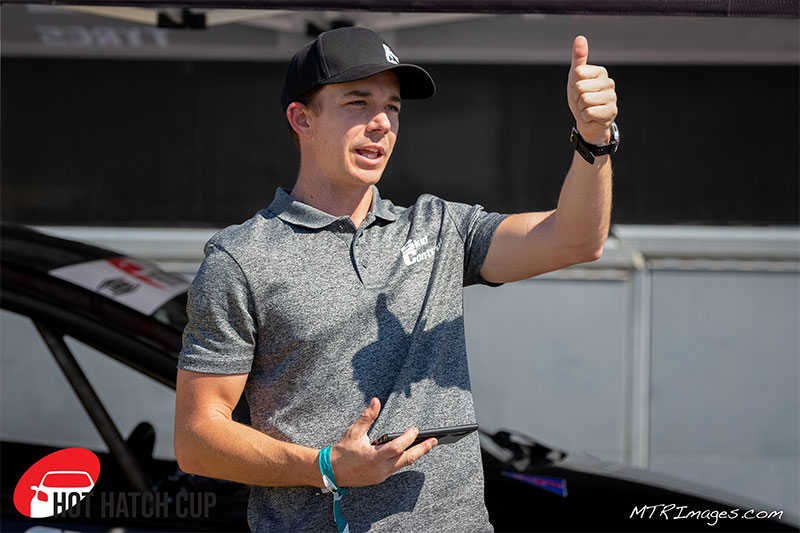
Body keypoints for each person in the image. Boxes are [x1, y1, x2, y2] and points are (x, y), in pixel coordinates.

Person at [174, 26, 617, 533]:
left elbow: (576, 239)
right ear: (302, 118)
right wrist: (325, 468)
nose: (382, 123)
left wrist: (594, 140)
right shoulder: (241, 257)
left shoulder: (440, 227)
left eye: (394, 107)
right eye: (358, 103)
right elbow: (196, 439)